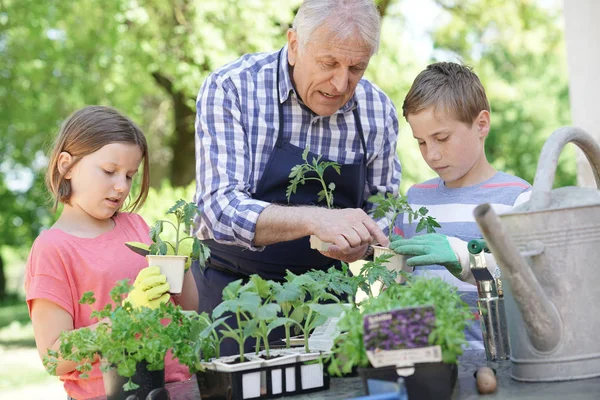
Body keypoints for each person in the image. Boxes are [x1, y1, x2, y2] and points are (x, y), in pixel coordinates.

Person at [193, 0, 401, 354]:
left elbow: (385, 204)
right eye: (329, 63)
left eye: (356, 68)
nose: (340, 83)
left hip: (328, 299)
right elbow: (219, 207)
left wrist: (363, 242)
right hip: (234, 298)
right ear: (293, 45)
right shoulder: (232, 89)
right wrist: (315, 220)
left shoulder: (377, 110)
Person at [25, 106, 198, 399]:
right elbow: (54, 356)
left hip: (176, 388)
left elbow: (188, 311)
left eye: (130, 175)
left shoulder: (137, 227)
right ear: (66, 165)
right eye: (109, 171)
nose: (121, 187)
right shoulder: (53, 248)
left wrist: (182, 265)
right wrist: (126, 317)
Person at [391, 62, 531, 348]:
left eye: (441, 138)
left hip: (498, 364)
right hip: (429, 363)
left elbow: (529, 286)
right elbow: (397, 283)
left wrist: (467, 259)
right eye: (421, 142)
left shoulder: (517, 200)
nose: (432, 155)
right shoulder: (414, 201)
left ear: (481, 124)